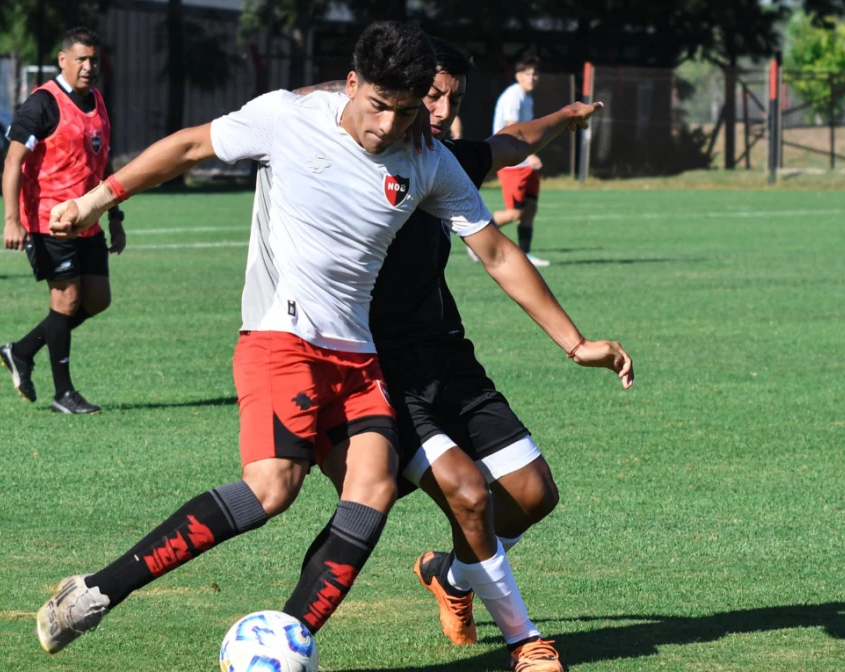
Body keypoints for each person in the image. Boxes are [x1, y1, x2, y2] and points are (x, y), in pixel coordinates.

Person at [33, 20, 495, 655]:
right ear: (354, 84)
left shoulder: (424, 153)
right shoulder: (287, 117)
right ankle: (95, 591)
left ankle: (285, 645)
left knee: (374, 490)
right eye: (381, 106)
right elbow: (192, 145)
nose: (391, 123)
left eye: (407, 110)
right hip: (284, 339)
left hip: (358, 360)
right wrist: (95, 200)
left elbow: (503, 181)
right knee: (273, 487)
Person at [248, 40, 625, 672]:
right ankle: (523, 640)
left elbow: (509, 143)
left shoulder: (440, 161)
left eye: (454, 99)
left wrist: (565, 119)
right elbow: (311, 102)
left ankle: (450, 575)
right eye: (433, 96)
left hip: (447, 355)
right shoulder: (350, 156)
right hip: (379, 368)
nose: (445, 111)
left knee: (533, 495)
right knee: (466, 492)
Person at [0, 27, 125, 415]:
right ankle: (63, 394)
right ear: (62, 60)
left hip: (88, 218)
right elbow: (12, 162)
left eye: (94, 60)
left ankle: (21, 351)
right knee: (66, 300)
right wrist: (11, 219)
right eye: (81, 59)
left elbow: (104, 164)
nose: (89, 67)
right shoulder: (42, 104)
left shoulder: (98, 101)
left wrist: (115, 216)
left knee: (97, 300)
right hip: (47, 220)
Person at [490, 56, 548, 267]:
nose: (532, 78)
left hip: (524, 159)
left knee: (530, 208)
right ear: (518, 76)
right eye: (527, 74)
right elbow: (512, 129)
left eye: (535, 74)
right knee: (516, 211)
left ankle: (526, 253)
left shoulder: (527, 98)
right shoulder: (513, 96)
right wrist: (529, 154)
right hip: (511, 160)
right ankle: (476, 236)